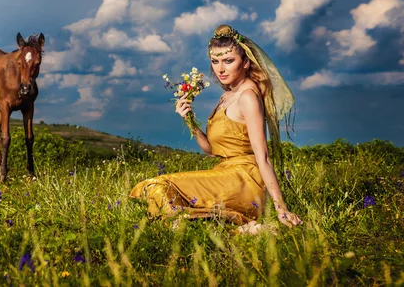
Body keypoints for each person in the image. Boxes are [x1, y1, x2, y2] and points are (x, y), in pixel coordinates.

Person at [129, 24, 302, 233]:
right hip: (225, 173)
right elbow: (212, 150)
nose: (220, 69)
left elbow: (263, 157)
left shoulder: (248, 96)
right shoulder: (229, 95)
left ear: (246, 62)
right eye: (215, 61)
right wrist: (190, 121)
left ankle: (214, 225)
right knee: (151, 192)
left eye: (229, 61)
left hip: (245, 179)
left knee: (153, 187)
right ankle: (226, 226)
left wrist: (281, 207)